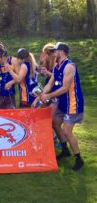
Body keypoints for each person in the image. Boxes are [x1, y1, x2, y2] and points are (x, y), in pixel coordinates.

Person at [39, 42, 84, 171]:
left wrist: (49, 95)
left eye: (55, 51)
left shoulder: (69, 66)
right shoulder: (57, 65)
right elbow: (50, 83)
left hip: (73, 103)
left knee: (66, 131)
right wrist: (42, 94)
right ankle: (65, 149)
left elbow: (65, 88)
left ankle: (78, 158)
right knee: (55, 122)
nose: (53, 53)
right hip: (62, 101)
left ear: (62, 52)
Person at [0, 44, 17, 109]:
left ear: (3, 56)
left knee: (11, 116)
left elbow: (20, 77)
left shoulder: (13, 61)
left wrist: (11, 82)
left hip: (10, 95)